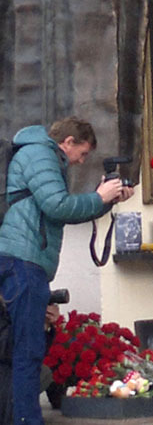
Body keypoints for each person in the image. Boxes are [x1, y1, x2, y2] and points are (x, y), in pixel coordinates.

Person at [0, 117, 134, 424]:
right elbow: (58, 206)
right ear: (68, 141)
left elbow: (57, 209)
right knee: (28, 350)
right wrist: (99, 197)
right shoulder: (40, 154)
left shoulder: (39, 154)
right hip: (24, 262)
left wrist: (106, 201)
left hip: (23, 261)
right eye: (82, 153)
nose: (82, 161)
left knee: (24, 348)